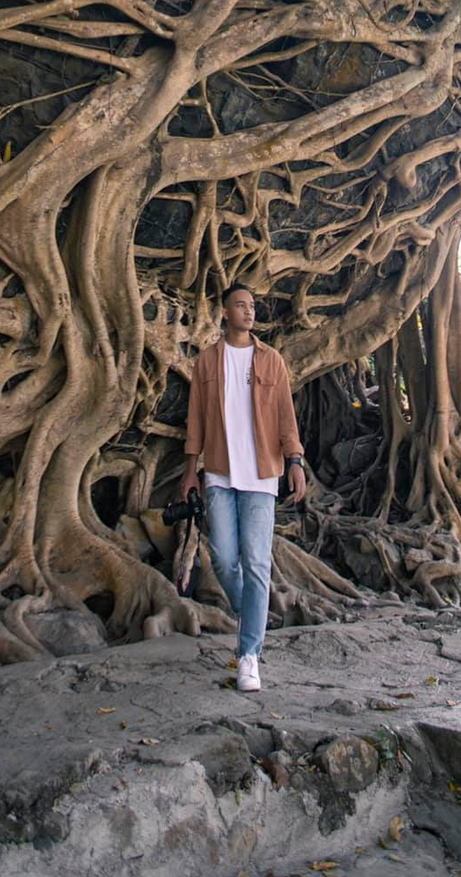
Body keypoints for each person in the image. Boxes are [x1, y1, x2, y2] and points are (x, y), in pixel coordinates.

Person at [180, 282, 306, 693]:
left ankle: (249, 655)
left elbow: (286, 416)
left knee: (256, 563)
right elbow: (196, 419)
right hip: (218, 472)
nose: (249, 311)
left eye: (252, 306)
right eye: (240, 305)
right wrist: (189, 470)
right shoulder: (207, 363)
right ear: (224, 313)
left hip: (262, 475)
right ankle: (252, 611)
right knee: (222, 559)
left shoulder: (272, 361)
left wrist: (295, 461)